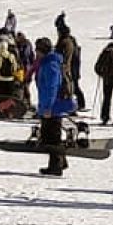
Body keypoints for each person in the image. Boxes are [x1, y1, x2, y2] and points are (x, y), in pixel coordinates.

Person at [33, 37, 76, 176]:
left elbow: (52, 87)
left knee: (51, 137)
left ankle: (56, 166)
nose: (35, 52)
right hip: (50, 105)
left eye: (37, 49)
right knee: (50, 136)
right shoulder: (49, 62)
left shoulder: (50, 64)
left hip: (52, 106)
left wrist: (48, 108)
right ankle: (59, 162)